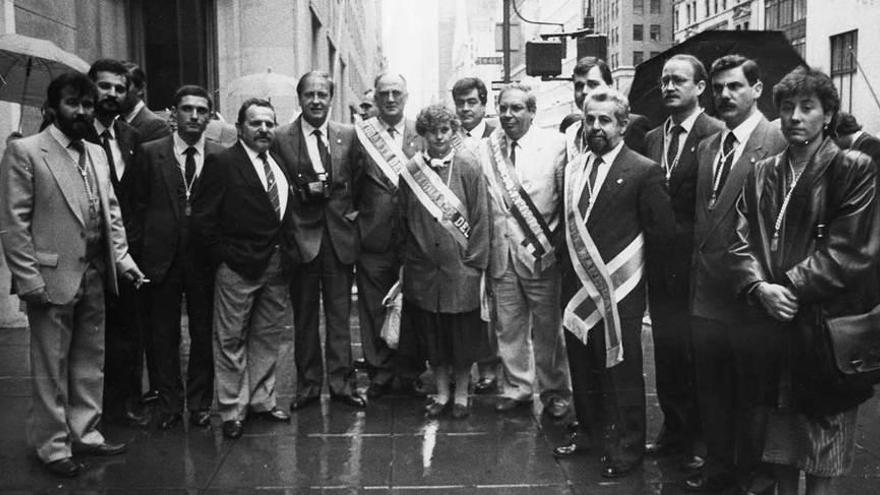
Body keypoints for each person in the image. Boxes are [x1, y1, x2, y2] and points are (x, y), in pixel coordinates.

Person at [728, 65, 879, 495]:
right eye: (788, 107)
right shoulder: (763, 171)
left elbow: (850, 250)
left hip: (822, 330)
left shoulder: (854, 167)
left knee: (822, 454)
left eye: (807, 107)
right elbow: (737, 240)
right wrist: (758, 289)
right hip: (773, 327)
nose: (795, 116)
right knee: (779, 452)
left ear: (827, 115)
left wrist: (787, 288)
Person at [0, 72, 146, 477]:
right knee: (51, 367)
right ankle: (53, 446)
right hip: (49, 279)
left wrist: (124, 261)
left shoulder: (96, 153)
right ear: (51, 108)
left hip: (95, 274)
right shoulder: (26, 152)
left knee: (88, 360)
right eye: (73, 103)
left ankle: (85, 432)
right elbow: (13, 225)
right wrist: (28, 280)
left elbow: (111, 214)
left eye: (87, 103)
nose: (83, 111)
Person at [554, 88, 674, 478]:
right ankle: (589, 431)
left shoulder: (643, 169)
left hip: (621, 288)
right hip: (577, 285)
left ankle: (628, 446)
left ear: (622, 125)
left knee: (620, 366)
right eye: (590, 119)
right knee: (582, 362)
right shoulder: (573, 169)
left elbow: (661, 235)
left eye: (605, 120)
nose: (596, 127)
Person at [685, 54, 786, 493]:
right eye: (719, 88)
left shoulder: (778, 140)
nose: (724, 95)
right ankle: (719, 471)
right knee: (713, 394)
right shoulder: (710, 146)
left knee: (752, 396)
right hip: (706, 295)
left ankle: (750, 477)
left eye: (735, 87)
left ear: (757, 89)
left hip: (749, 297)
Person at [191, 98, 297, 439]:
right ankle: (233, 410)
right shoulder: (222, 163)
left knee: (267, 338)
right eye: (256, 123)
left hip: (277, 267)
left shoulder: (277, 162)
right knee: (230, 339)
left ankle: (262, 401)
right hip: (237, 268)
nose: (264, 129)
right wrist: (225, 257)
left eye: (269, 123)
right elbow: (203, 220)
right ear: (240, 128)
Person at [643, 54, 723, 469]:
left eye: (678, 81)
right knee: (667, 349)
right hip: (661, 264)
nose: (669, 87)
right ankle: (673, 427)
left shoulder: (717, 134)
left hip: (698, 264)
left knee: (698, 353)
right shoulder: (654, 137)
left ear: (700, 87)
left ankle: (700, 436)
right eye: (664, 81)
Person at [131, 85, 223, 430]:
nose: (194, 116)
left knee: (203, 333)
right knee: (163, 334)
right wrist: (140, 255)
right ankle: (169, 403)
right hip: (160, 259)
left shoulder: (220, 155)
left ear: (210, 117)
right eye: (187, 109)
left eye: (201, 110)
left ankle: (200, 403)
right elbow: (136, 207)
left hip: (203, 261)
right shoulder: (149, 153)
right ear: (173, 113)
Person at [273, 71, 365, 410]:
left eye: (322, 95)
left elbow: (358, 183)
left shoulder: (348, 135)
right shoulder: (282, 137)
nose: (315, 101)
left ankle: (343, 385)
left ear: (330, 98)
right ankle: (308, 386)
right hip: (302, 241)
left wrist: (353, 219)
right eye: (309, 94)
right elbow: (278, 188)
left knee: (341, 318)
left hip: (339, 239)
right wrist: (302, 191)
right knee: (305, 319)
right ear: (300, 99)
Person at [481, 83, 571, 418]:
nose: (508, 115)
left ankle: (555, 392)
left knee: (549, 328)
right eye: (503, 108)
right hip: (501, 254)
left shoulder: (555, 145)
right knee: (509, 326)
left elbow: (565, 199)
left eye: (516, 108)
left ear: (532, 111)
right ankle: (517, 387)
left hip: (541, 254)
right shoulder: (485, 149)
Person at [398, 104, 490, 419]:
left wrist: (474, 262)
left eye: (445, 130)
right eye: (432, 131)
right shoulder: (410, 171)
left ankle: (462, 393)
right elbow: (403, 218)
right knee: (432, 335)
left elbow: (480, 216)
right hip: (424, 270)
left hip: (460, 268)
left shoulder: (467, 164)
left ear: (453, 131)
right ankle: (441, 391)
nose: (438, 137)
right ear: (422, 134)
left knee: (461, 335)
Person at [86, 58, 150, 427]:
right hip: (91, 254)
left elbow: (138, 197)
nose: (112, 94)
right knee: (92, 338)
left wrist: (134, 248)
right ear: (91, 87)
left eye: (119, 88)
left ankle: (126, 404)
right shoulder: (77, 134)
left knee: (128, 333)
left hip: (129, 255)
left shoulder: (130, 137)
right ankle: (91, 411)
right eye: (105, 86)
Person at [354, 72, 425, 398]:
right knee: (373, 308)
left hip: (416, 239)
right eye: (384, 94)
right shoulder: (361, 136)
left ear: (407, 95)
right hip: (375, 238)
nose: (391, 98)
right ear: (376, 98)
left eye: (397, 92)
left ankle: (410, 372)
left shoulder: (421, 134)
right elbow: (350, 185)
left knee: (413, 307)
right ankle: (379, 374)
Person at [451, 76, 499, 394]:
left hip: (494, 231)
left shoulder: (497, 137)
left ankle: (490, 367)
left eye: (472, 102)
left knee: (491, 306)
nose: (466, 108)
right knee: (463, 306)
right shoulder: (447, 138)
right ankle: (462, 368)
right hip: (457, 232)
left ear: (484, 104)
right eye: (460, 103)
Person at [567, 56, 652, 157]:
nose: (585, 91)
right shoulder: (571, 131)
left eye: (593, 84)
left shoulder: (632, 125)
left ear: (609, 87)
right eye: (579, 86)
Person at [121, 61, 172, 143]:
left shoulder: (157, 126)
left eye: (123, 87)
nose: (114, 93)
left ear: (140, 89)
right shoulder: (115, 122)